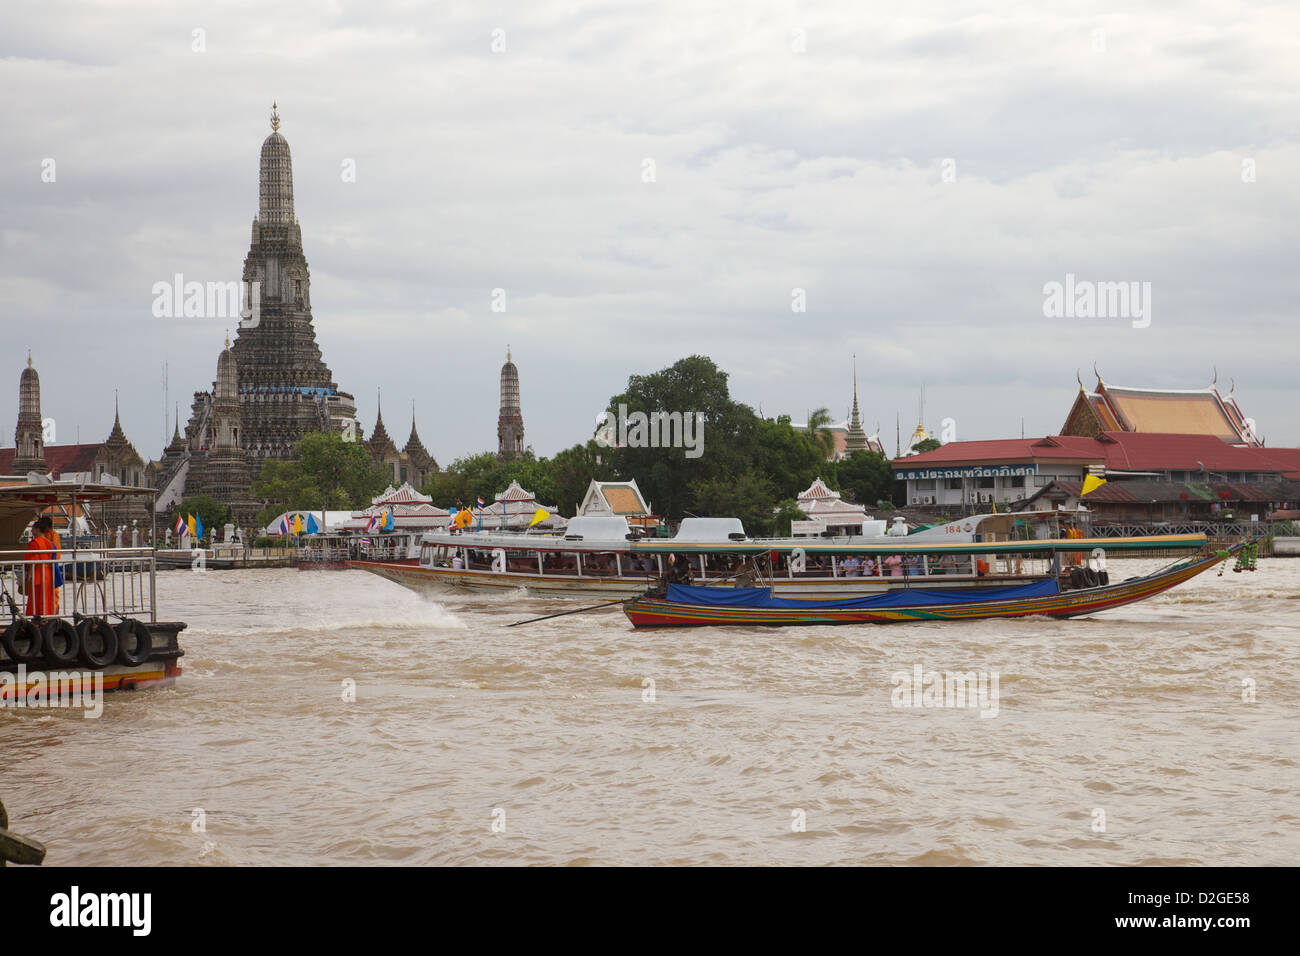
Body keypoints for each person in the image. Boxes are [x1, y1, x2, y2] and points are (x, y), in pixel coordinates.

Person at [24, 516, 57, 617]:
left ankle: (36, 616)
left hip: (37, 572)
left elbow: (33, 560)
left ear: (37, 529)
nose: (31, 530)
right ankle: (47, 615)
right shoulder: (50, 543)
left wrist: (29, 574)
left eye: (33, 528)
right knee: (47, 597)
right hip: (48, 573)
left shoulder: (35, 543)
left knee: (36, 597)